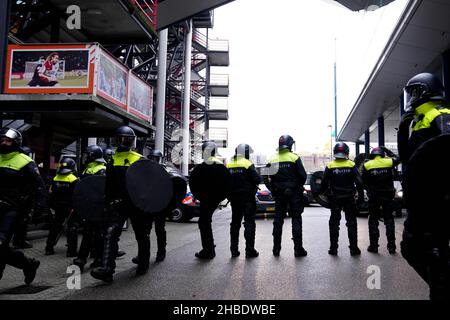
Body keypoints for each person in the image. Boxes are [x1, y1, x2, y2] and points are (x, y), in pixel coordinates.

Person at [398, 72, 450, 300]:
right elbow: (409, 160)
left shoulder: (441, 114)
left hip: (439, 199)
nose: (411, 97)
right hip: (423, 199)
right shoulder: (420, 119)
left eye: (414, 91)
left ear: (426, 90)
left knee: (429, 249)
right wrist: (403, 128)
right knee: (414, 248)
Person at [91, 126, 146, 282]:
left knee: (141, 234)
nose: (124, 141)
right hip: (119, 204)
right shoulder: (112, 159)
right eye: (120, 138)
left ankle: (143, 263)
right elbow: (109, 184)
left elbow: (146, 183)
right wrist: (107, 202)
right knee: (110, 233)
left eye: (127, 139)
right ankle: (107, 270)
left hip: (136, 204)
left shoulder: (139, 158)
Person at [0, 128, 48, 285]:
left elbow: (39, 187)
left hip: (12, 209)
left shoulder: (25, 161)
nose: (3, 143)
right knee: (2, 249)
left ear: (15, 143)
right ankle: (29, 264)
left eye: (7, 140)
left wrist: (40, 209)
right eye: (2, 140)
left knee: (0, 244)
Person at [263, 135, 308, 257]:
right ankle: (298, 250)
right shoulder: (294, 157)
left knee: (278, 220)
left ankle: (276, 249)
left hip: (279, 194)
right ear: (290, 144)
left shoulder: (272, 159)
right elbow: (303, 176)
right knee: (296, 219)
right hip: (294, 194)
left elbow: (264, 177)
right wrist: (297, 187)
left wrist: (272, 189)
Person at [320, 142, 362, 256]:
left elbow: (323, 183)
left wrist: (323, 194)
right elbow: (359, 182)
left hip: (335, 199)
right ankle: (354, 249)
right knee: (352, 223)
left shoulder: (330, 166)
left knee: (334, 223)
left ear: (335, 152)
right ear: (347, 152)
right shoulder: (351, 165)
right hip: (349, 199)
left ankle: (333, 249)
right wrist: (361, 198)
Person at [73, 145, 107, 272]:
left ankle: (87, 259)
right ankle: (90, 258)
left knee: (95, 234)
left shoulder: (102, 170)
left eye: (87, 155)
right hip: (88, 206)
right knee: (90, 233)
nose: (85, 157)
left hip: (98, 207)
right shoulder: (87, 170)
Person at [132, 149, 168, 266]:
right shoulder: (144, 171)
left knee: (160, 229)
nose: (153, 160)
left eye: (155, 158)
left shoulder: (164, 170)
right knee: (144, 231)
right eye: (152, 158)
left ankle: (161, 252)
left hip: (160, 205)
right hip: (148, 205)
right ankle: (142, 255)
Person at [361, 146, 400, 254]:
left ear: (372, 155)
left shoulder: (367, 165)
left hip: (374, 197)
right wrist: (386, 150)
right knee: (389, 220)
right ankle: (391, 247)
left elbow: (363, 182)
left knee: (373, 220)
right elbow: (398, 157)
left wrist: (369, 191)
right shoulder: (389, 162)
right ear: (382, 154)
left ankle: (374, 246)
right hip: (388, 196)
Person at [227, 144, 261, 258]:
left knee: (235, 224)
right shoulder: (248, 164)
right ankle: (249, 250)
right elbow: (257, 179)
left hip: (234, 199)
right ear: (245, 153)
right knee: (249, 223)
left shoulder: (229, 165)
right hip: (248, 199)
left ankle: (234, 250)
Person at [194, 141, 225, 260]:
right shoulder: (220, 165)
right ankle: (209, 247)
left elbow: (195, 183)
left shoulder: (203, 166)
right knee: (205, 221)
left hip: (206, 200)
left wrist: (199, 196)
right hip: (214, 199)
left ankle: (208, 250)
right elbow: (226, 183)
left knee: (204, 222)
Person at [45, 157, 79, 257]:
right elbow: (77, 195)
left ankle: (49, 248)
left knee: (55, 227)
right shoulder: (73, 179)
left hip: (58, 207)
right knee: (72, 228)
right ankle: (71, 251)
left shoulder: (55, 178)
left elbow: (51, 194)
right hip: (70, 208)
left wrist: (52, 206)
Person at [12, 146, 35, 249]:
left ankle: (18, 240)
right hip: (23, 198)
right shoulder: (27, 166)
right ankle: (19, 241)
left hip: (17, 198)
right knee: (22, 220)